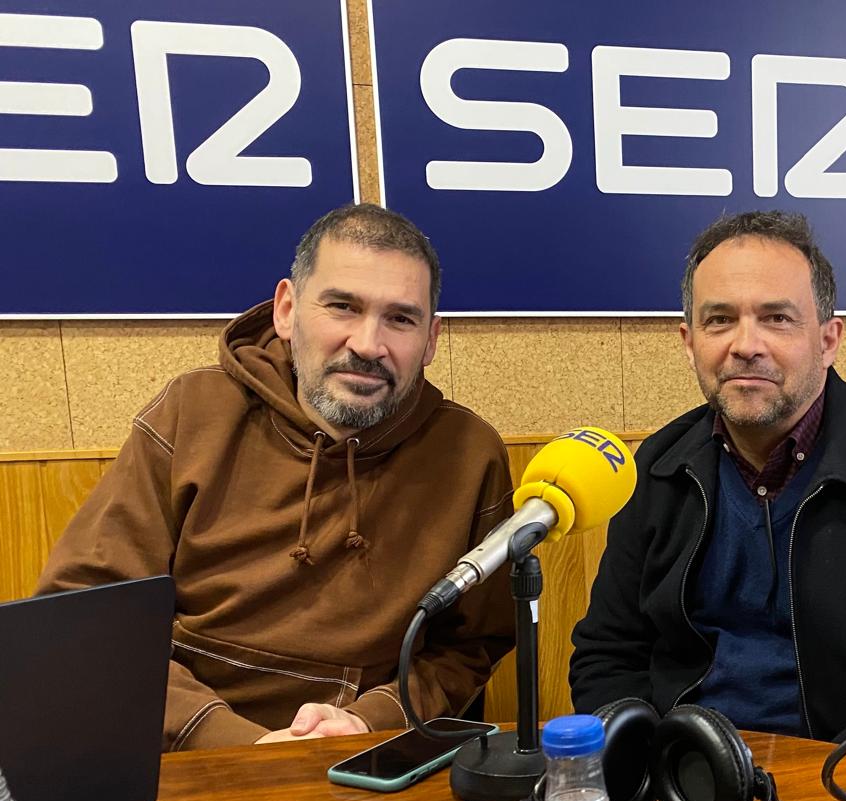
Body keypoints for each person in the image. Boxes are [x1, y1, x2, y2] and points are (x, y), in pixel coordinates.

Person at [38, 204, 514, 750]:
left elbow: (470, 646)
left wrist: (371, 719)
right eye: (342, 307)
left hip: (364, 753)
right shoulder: (190, 415)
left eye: (401, 319)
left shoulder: (469, 454)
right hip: (180, 750)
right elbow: (85, 616)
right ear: (286, 310)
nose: (368, 344)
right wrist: (227, 739)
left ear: (431, 339)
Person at [570, 210, 846, 771]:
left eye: (776, 318)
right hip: (684, 778)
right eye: (719, 320)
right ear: (689, 342)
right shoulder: (654, 469)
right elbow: (607, 657)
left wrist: (837, 789)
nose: (745, 345)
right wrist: (652, 772)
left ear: (828, 340)